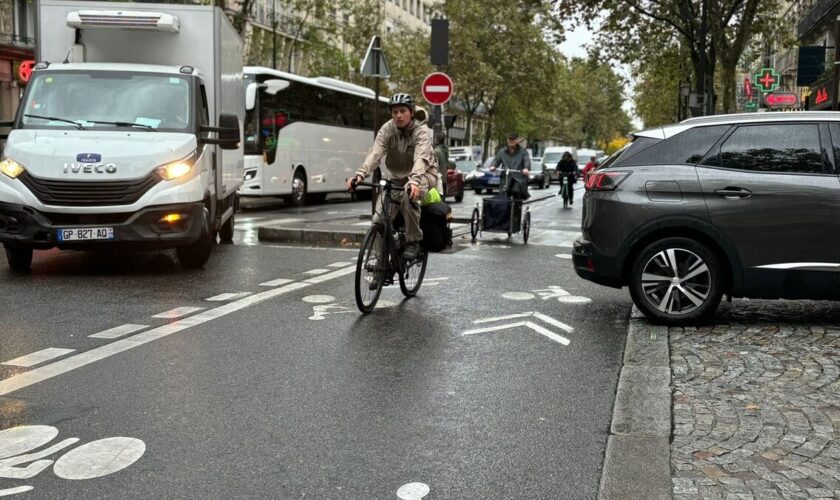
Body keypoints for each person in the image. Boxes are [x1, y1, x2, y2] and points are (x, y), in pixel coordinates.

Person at [346, 93, 438, 267]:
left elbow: (421, 158)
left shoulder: (421, 131)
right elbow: (375, 153)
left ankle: (413, 242)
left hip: (424, 173)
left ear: (411, 112)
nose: (398, 115)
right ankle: (381, 263)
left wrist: (414, 181)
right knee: (378, 220)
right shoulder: (387, 129)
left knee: (407, 195)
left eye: (402, 111)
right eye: (395, 112)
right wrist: (359, 175)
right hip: (396, 176)